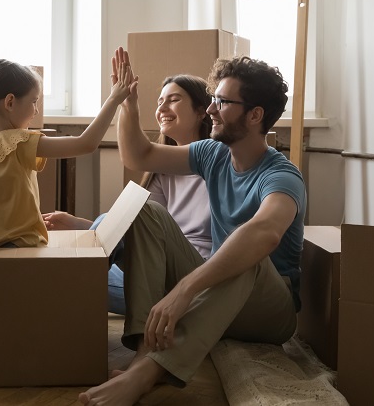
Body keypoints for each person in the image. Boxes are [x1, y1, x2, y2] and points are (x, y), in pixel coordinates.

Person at [79, 48, 306, 406]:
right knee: (143, 210)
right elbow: (138, 156)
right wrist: (128, 104)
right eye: (213, 99)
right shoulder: (212, 154)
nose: (211, 109)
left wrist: (185, 288)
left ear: (255, 115)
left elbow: (265, 231)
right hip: (221, 297)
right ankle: (144, 348)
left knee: (245, 253)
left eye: (223, 102)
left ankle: (147, 373)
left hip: (269, 311)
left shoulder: (281, 175)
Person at [0, 57, 135, 326]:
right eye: (33, 101)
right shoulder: (18, 142)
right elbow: (87, 143)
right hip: (22, 249)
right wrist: (114, 99)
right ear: (9, 102)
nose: (35, 110)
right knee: (96, 261)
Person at [42, 74, 214, 314]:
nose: (162, 108)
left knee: (79, 280)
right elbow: (138, 227)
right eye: (159, 102)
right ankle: (66, 287)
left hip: (195, 276)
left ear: (202, 111)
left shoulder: (219, 162)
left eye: (173, 100)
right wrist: (81, 225)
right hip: (158, 268)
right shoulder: (163, 170)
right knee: (74, 277)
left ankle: (66, 292)